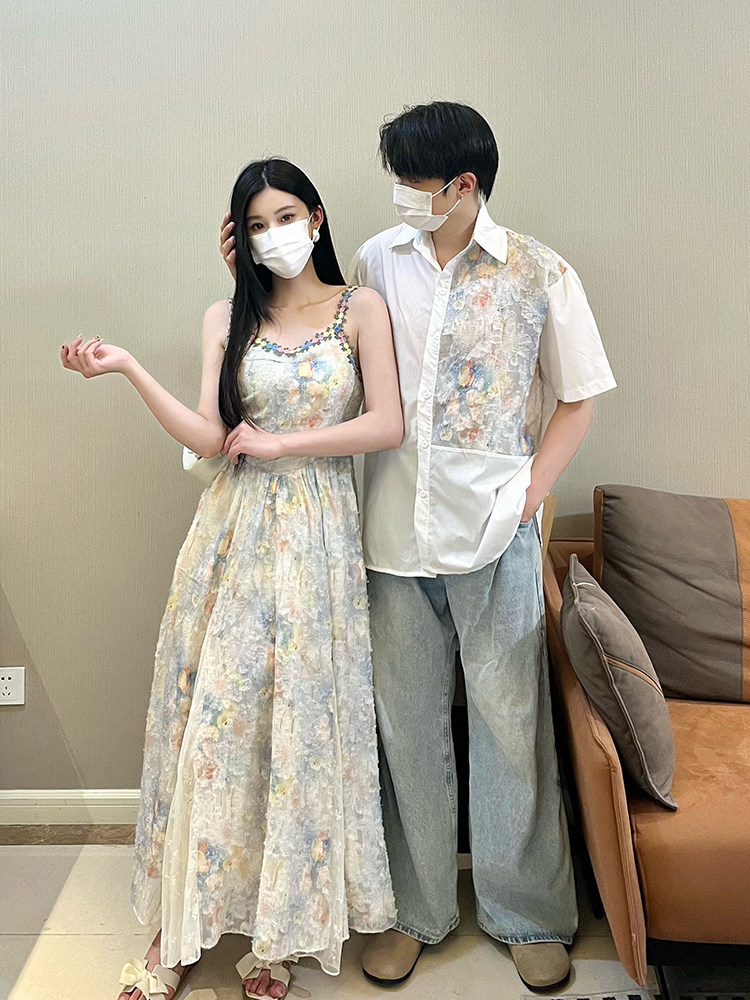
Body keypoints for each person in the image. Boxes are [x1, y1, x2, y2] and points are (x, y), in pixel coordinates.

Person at [223, 104, 616, 992]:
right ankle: (415, 910)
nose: (400, 193)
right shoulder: (375, 261)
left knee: (511, 727)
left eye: (413, 179)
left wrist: (531, 493)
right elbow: (318, 339)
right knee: (405, 728)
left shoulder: (539, 272)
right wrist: (245, 270)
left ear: (462, 185)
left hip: (494, 534)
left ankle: (527, 915)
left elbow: (580, 396)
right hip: (391, 536)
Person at [61, 157, 401, 1000]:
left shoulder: (360, 308)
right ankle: (176, 933)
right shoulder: (228, 316)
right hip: (234, 538)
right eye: (254, 225)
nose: (272, 235)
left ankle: (276, 932)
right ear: (237, 238)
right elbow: (212, 437)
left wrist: (285, 444)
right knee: (213, 729)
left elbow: (387, 424)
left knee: (296, 732)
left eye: (284, 217)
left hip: (317, 542)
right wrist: (128, 367)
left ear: (316, 219)